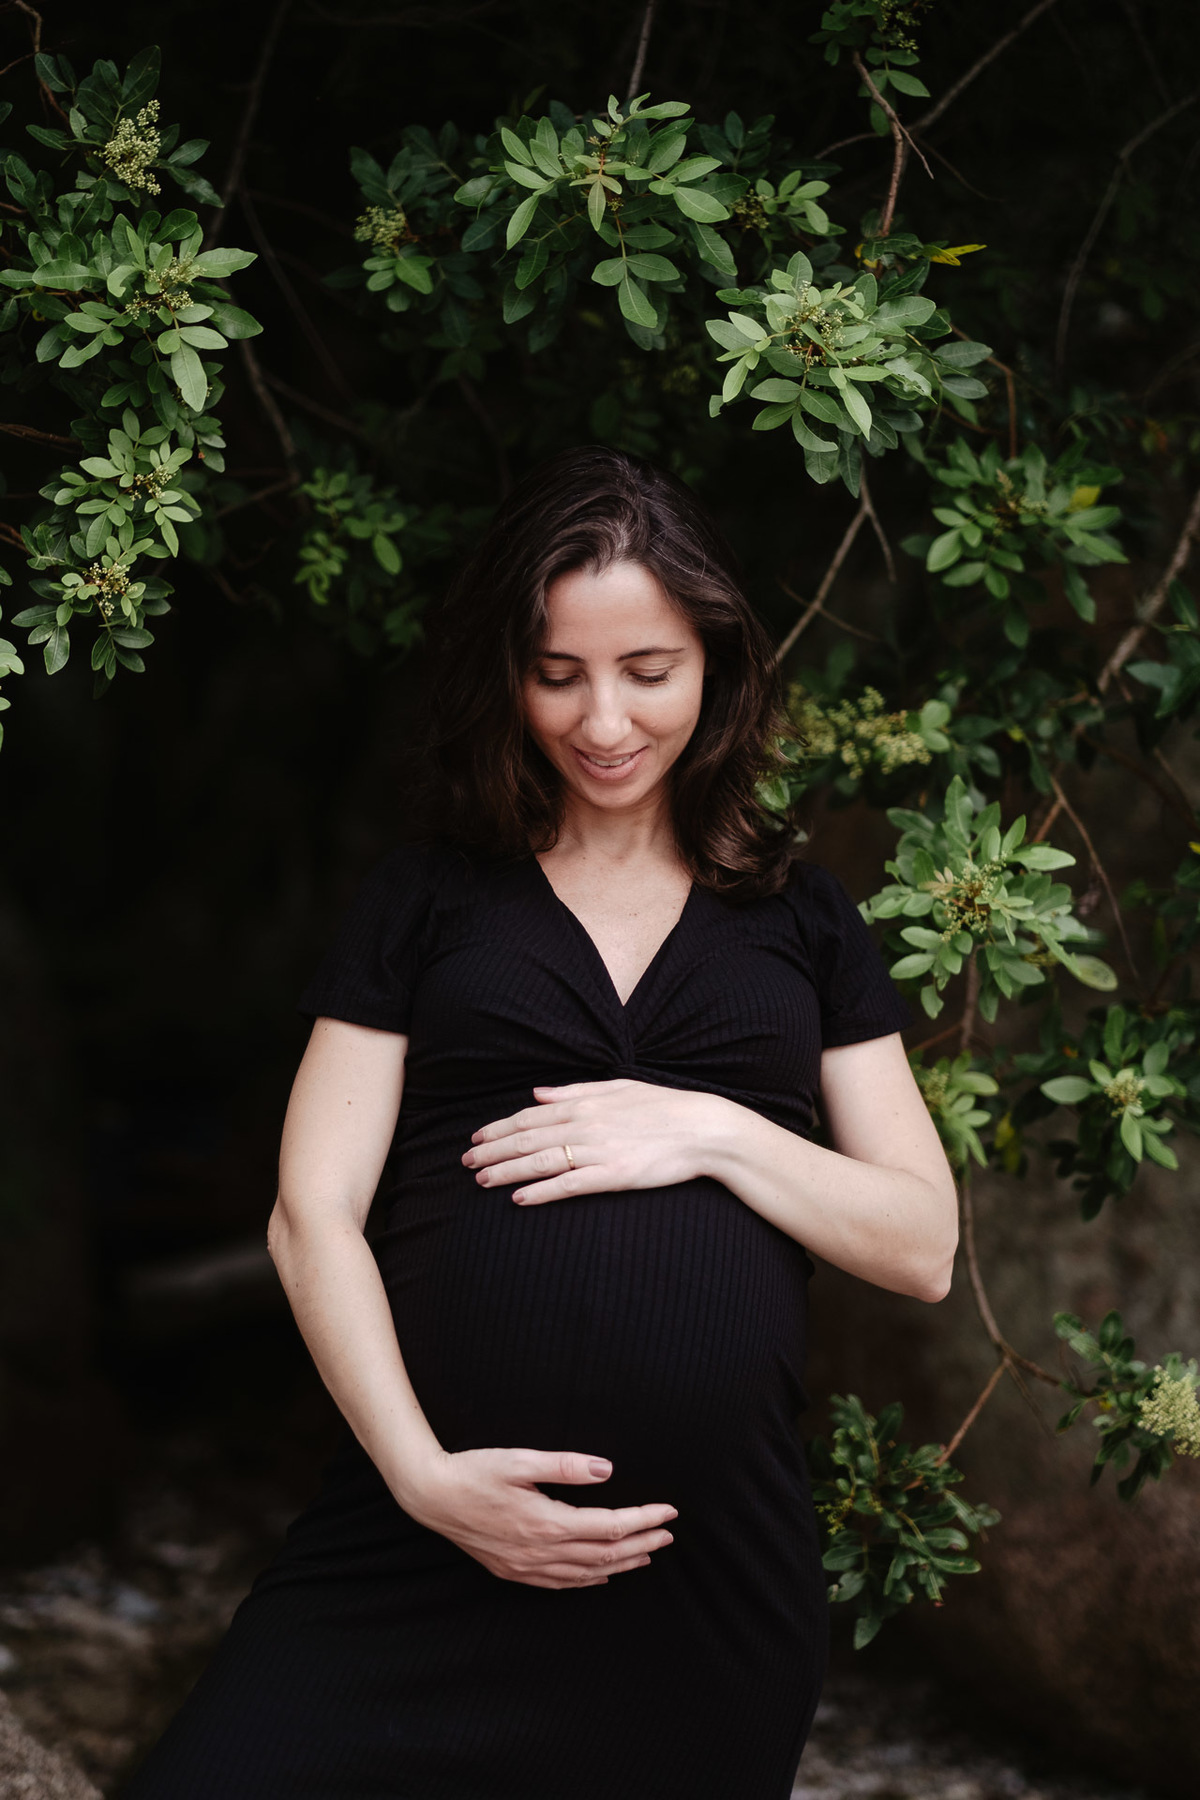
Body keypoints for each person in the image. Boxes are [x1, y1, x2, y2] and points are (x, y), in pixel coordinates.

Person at [122, 446, 958, 1800]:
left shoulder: (803, 918)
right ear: (506, 676)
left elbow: (921, 1244)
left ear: (717, 664)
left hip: (698, 1589)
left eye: (648, 670)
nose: (603, 719)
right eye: (557, 672)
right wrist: (420, 1477)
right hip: (414, 1547)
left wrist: (714, 1131)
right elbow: (309, 1215)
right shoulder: (430, 897)